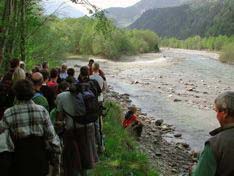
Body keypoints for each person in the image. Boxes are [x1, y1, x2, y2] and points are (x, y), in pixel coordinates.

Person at [0, 80, 61, 176]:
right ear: (32, 92)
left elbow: (3, 143)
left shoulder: (9, 113)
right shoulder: (42, 111)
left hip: (18, 163)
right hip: (40, 161)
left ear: (16, 94)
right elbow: (52, 138)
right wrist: (56, 163)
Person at [56, 66, 98, 176]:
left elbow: (60, 118)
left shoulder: (60, 96)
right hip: (88, 127)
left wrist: (59, 125)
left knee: (73, 158)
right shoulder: (86, 93)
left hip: (72, 130)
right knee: (86, 157)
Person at [192, 91, 234, 176]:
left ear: (224, 113)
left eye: (216, 111)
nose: (216, 115)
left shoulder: (215, 144)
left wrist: (194, 169)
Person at [90, 63, 106, 153]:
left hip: (90, 100)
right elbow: (104, 89)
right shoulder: (101, 78)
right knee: (99, 123)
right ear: (99, 69)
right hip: (99, 100)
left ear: (92, 69)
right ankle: (100, 145)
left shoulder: (89, 77)